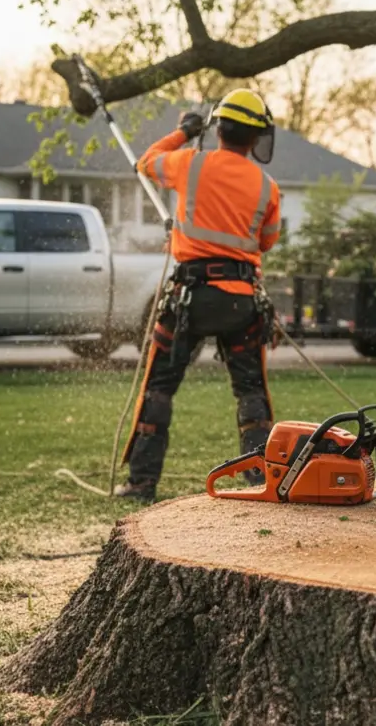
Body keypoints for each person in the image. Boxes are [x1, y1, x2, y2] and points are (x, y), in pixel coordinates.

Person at [113, 88, 282, 501]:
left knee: (158, 388)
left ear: (217, 128)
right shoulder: (267, 186)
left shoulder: (190, 163)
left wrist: (183, 132)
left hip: (189, 297)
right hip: (242, 302)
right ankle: (259, 478)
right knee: (251, 390)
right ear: (255, 138)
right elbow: (266, 242)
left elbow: (144, 163)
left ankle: (141, 483)